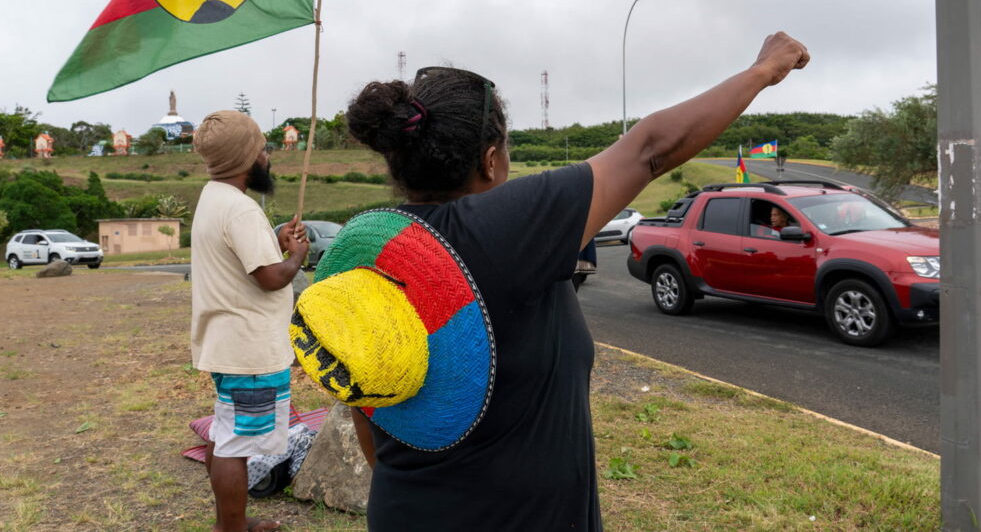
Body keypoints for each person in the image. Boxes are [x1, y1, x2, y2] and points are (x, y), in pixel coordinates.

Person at [338, 32, 808, 530]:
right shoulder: (500, 230)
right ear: (491, 159)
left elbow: (364, 406)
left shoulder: (365, 250)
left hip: (405, 510)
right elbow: (651, 149)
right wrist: (763, 71)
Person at [190, 110, 309, 532]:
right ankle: (233, 529)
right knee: (235, 445)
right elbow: (270, 278)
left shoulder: (213, 197)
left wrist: (276, 244)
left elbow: (246, 262)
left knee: (226, 433)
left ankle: (230, 522)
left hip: (227, 344)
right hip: (249, 350)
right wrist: (296, 256)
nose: (267, 156)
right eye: (262, 148)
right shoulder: (240, 209)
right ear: (246, 156)